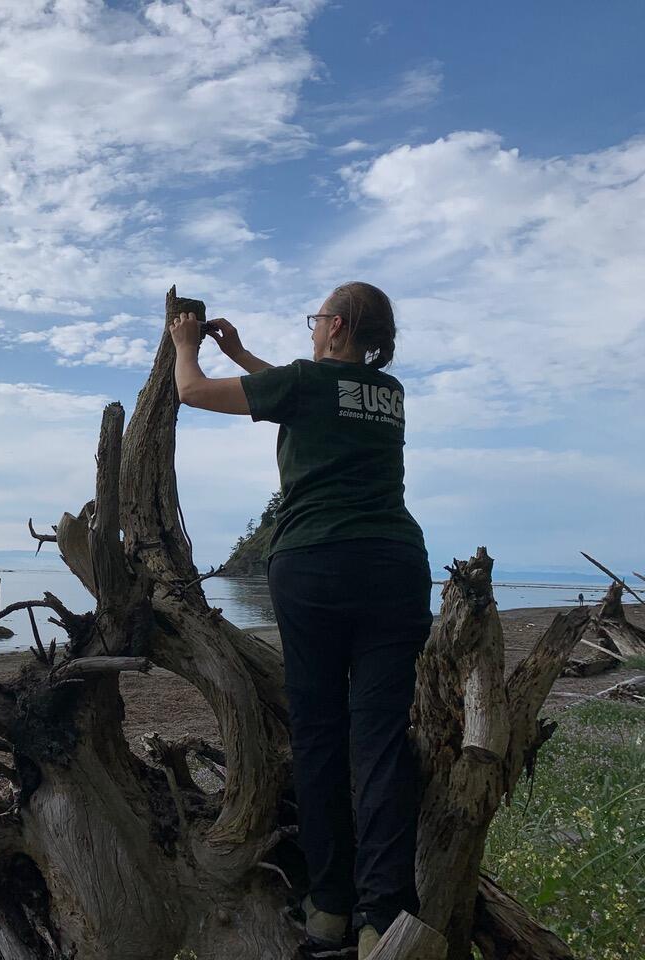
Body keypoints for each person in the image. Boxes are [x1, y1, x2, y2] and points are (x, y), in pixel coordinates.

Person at [169, 282, 432, 959]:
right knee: (379, 739)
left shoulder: (307, 386)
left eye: (317, 320)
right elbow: (312, 396)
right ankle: (385, 917)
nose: (313, 329)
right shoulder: (389, 395)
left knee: (318, 735)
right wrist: (249, 354)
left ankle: (329, 912)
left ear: (337, 325)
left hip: (316, 566)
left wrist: (185, 346)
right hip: (396, 566)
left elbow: (193, 392)